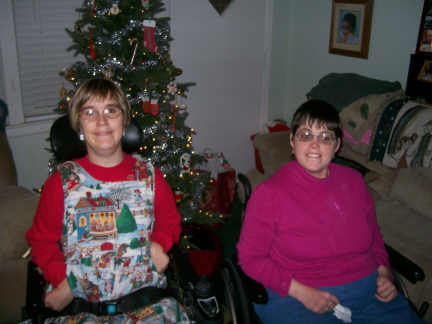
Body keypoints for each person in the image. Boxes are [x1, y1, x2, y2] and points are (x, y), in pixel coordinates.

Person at [236, 99, 425, 324]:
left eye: (325, 138)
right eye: (306, 135)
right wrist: (302, 292)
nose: (315, 145)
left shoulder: (354, 183)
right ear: (292, 141)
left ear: (336, 146)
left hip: (369, 296)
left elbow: (374, 238)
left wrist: (384, 273)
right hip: (297, 298)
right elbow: (249, 258)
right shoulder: (269, 193)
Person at [26, 78, 189, 323]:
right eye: (89, 112)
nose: (101, 121)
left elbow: (169, 221)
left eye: (110, 111)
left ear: (124, 122)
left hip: (146, 305)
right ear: (79, 125)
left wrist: (160, 243)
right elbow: (41, 241)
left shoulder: (150, 176)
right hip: (81, 309)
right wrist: (65, 282)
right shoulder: (61, 183)